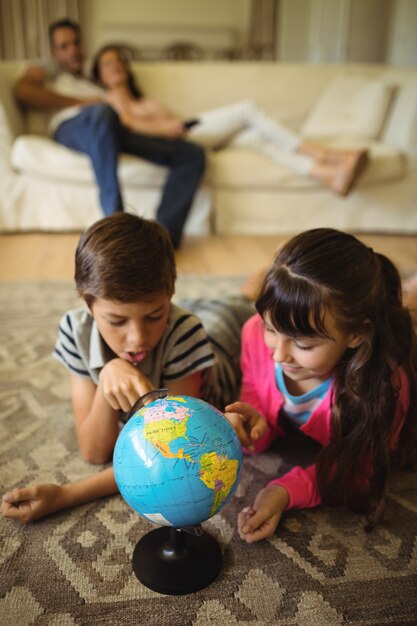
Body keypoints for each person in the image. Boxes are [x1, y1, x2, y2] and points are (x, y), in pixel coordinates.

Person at [0, 213, 253, 523]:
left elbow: (174, 456)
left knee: (239, 305)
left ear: (169, 296)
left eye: (153, 315)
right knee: (216, 304)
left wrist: (67, 495)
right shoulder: (74, 330)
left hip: (218, 348)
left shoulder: (185, 332)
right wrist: (109, 375)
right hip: (181, 326)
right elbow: (94, 452)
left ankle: (256, 282)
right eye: (117, 321)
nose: (137, 339)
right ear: (87, 304)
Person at [224, 228, 417, 543]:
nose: (277, 354)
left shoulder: (384, 386)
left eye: (303, 344)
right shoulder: (253, 335)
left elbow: (356, 471)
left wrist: (283, 491)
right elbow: (256, 394)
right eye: (271, 328)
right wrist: (251, 425)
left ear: (355, 335)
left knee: (405, 315)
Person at [13, 19, 205, 248]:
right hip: (74, 127)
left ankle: (162, 241)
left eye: (76, 43)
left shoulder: (91, 76)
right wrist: (83, 102)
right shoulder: (50, 69)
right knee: (102, 112)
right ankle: (117, 229)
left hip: (112, 128)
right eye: (64, 46)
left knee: (192, 154)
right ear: (54, 52)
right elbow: (23, 92)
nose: (72, 49)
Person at [91, 45, 369, 197]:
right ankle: (326, 155)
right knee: (247, 109)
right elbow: (127, 123)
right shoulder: (110, 98)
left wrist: (169, 124)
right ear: (100, 75)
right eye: (107, 63)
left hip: (186, 130)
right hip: (177, 136)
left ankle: (328, 175)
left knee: (254, 138)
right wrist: (163, 127)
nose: (115, 65)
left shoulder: (140, 98)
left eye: (118, 61)